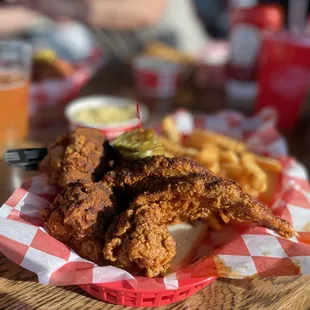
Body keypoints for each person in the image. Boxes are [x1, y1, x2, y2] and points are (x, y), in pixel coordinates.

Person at [1, 0, 209, 59]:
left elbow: (148, 9)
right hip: (123, 73)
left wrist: (67, 7)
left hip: (184, 67)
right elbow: (31, 7)